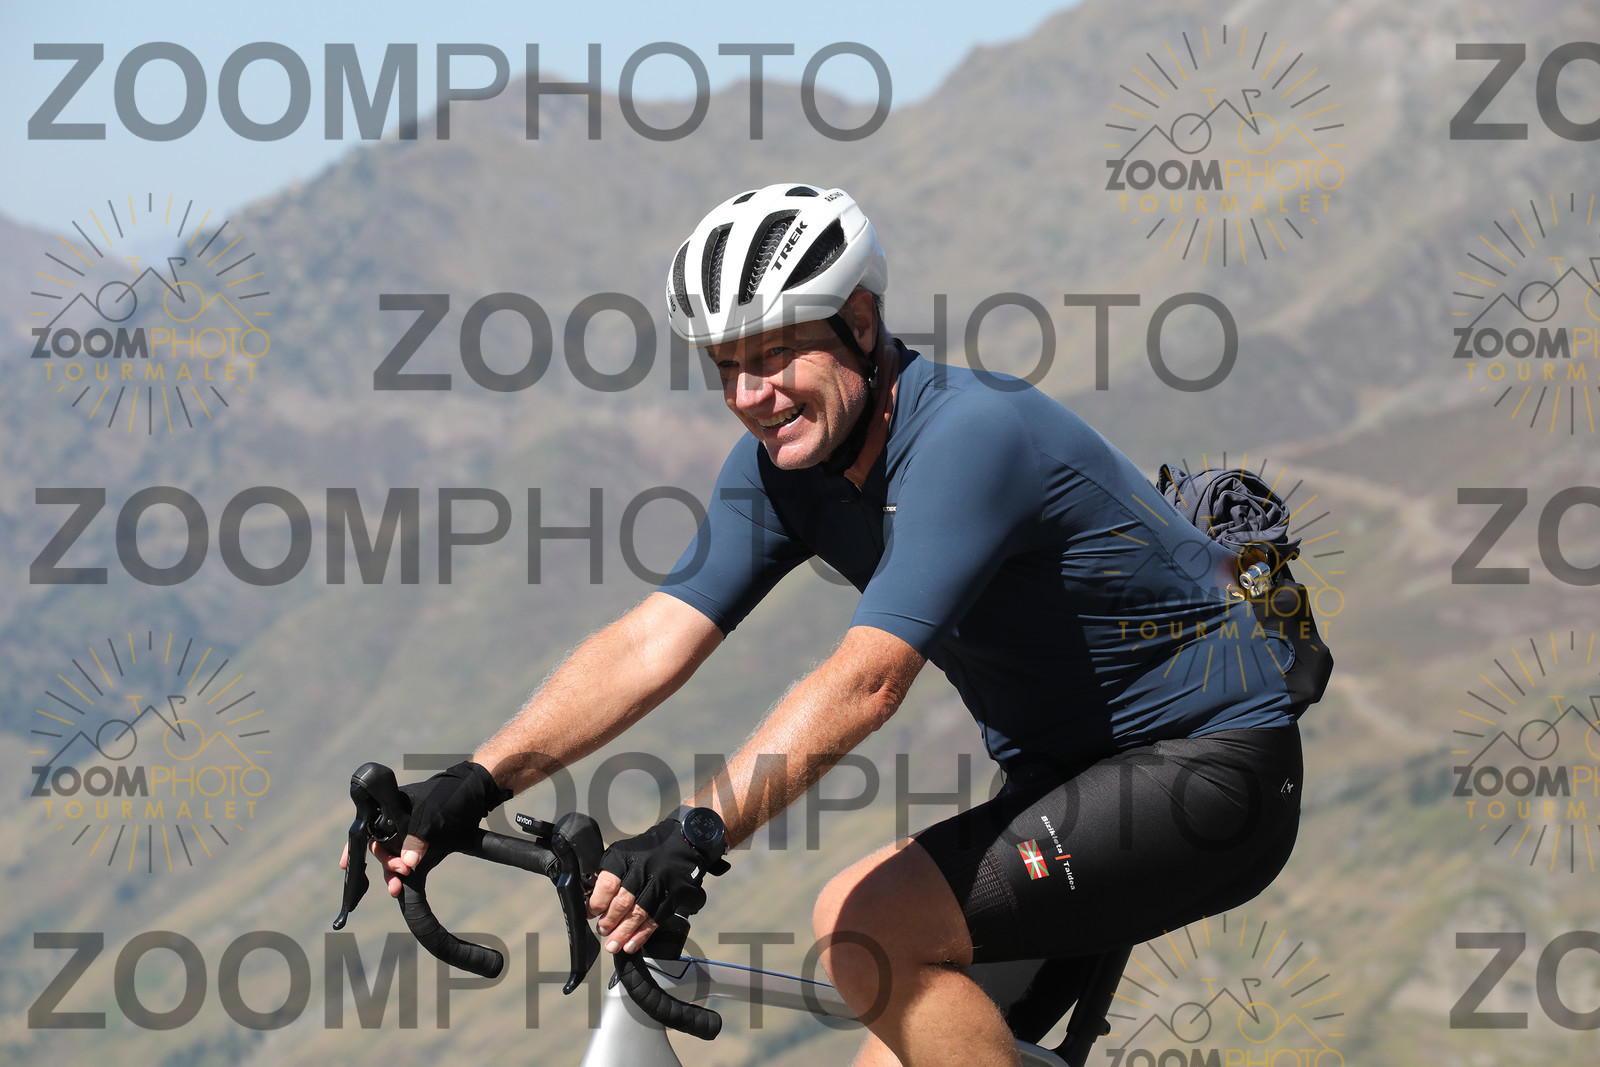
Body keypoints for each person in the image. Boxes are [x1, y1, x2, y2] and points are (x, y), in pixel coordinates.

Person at [343, 183, 1308, 1066]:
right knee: (896, 1028)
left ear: (861, 322)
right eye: (726, 366)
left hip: (1208, 771)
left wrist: (693, 832)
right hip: (1058, 790)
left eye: (774, 356)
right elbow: (650, 642)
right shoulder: (782, 471)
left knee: (863, 927)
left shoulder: (969, 436)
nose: (750, 397)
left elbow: (867, 681)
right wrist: (473, 781)